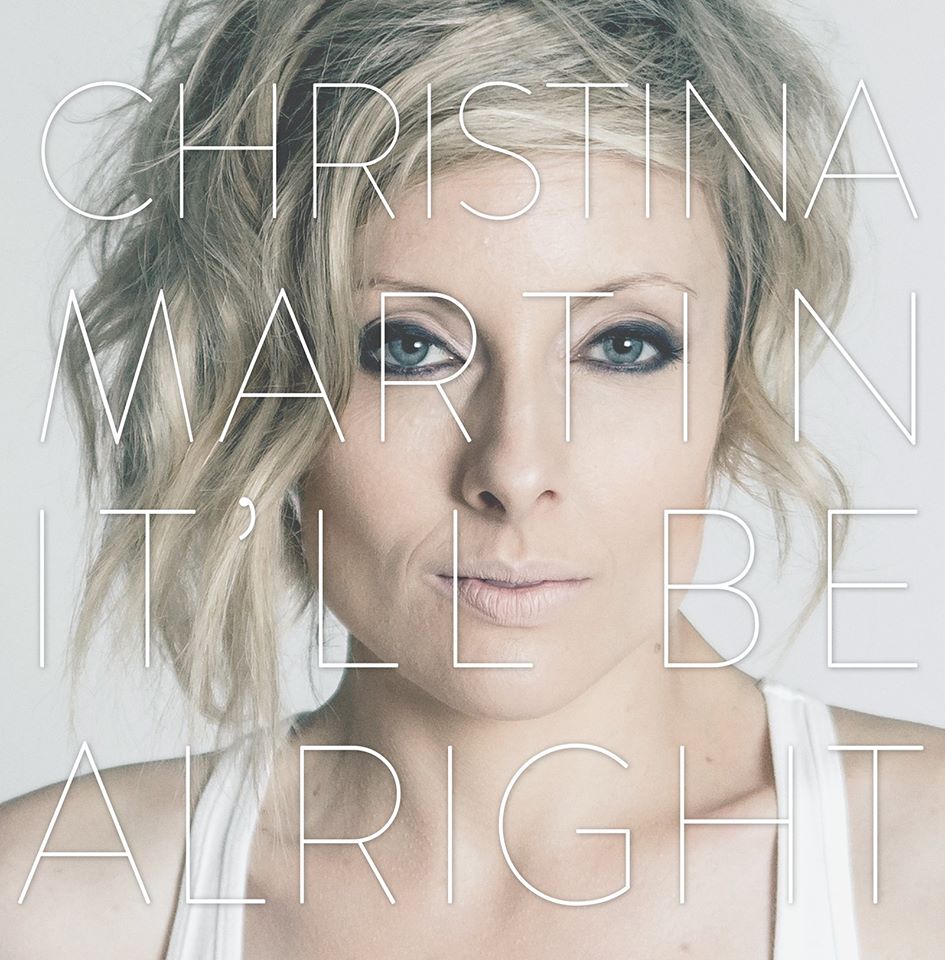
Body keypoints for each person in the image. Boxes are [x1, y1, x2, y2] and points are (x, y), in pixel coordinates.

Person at [2, 0, 942, 957]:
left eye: (621, 346)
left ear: (730, 385)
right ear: (254, 385)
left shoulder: (923, 877)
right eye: (408, 347)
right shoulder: (52, 909)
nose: (515, 469)